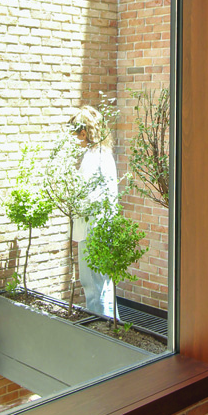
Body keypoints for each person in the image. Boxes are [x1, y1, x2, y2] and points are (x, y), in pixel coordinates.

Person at [69, 105, 118, 317]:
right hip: (99, 227)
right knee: (100, 283)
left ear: (83, 133)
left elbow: (90, 196)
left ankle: (103, 329)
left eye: (74, 133)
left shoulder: (95, 157)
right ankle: (108, 327)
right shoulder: (100, 154)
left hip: (94, 229)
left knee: (95, 284)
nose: (73, 139)